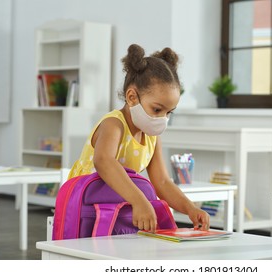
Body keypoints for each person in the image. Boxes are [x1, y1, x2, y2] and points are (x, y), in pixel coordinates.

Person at [68, 44, 210, 233]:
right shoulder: (113, 124)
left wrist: (190, 208)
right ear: (132, 97)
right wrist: (139, 201)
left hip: (116, 206)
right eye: (157, 109)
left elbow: (162, 182)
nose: (162, 119)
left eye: (169, 112)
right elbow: (103, 161)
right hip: (85, 205)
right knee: (145, 193)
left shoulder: (151, 135)